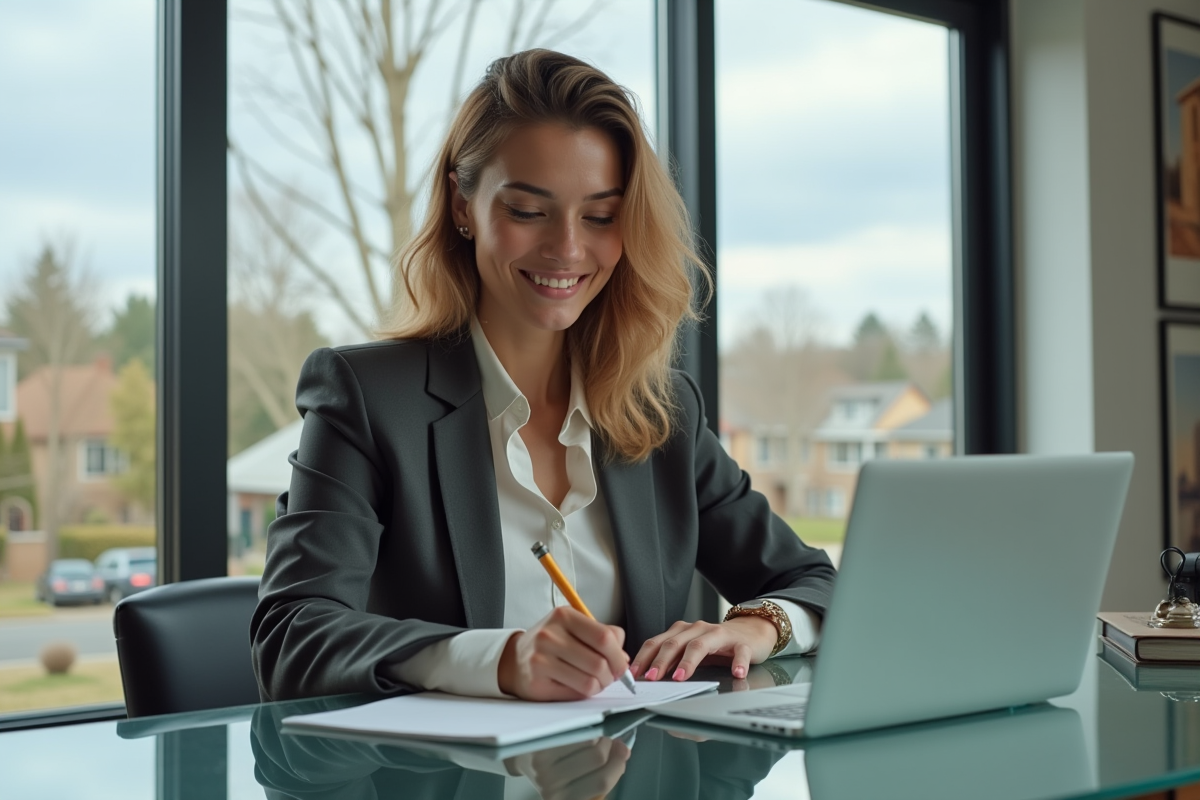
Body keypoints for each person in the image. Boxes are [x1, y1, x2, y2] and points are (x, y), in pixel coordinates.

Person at [250, 49, 835, 703]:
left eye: (601, 216)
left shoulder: (663, 411)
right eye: (528, 211)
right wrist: (501, 659)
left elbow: (818, 582)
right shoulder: (366, 398)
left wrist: (760, 625)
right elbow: (292, 635)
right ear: (463, 203)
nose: (567, 249)